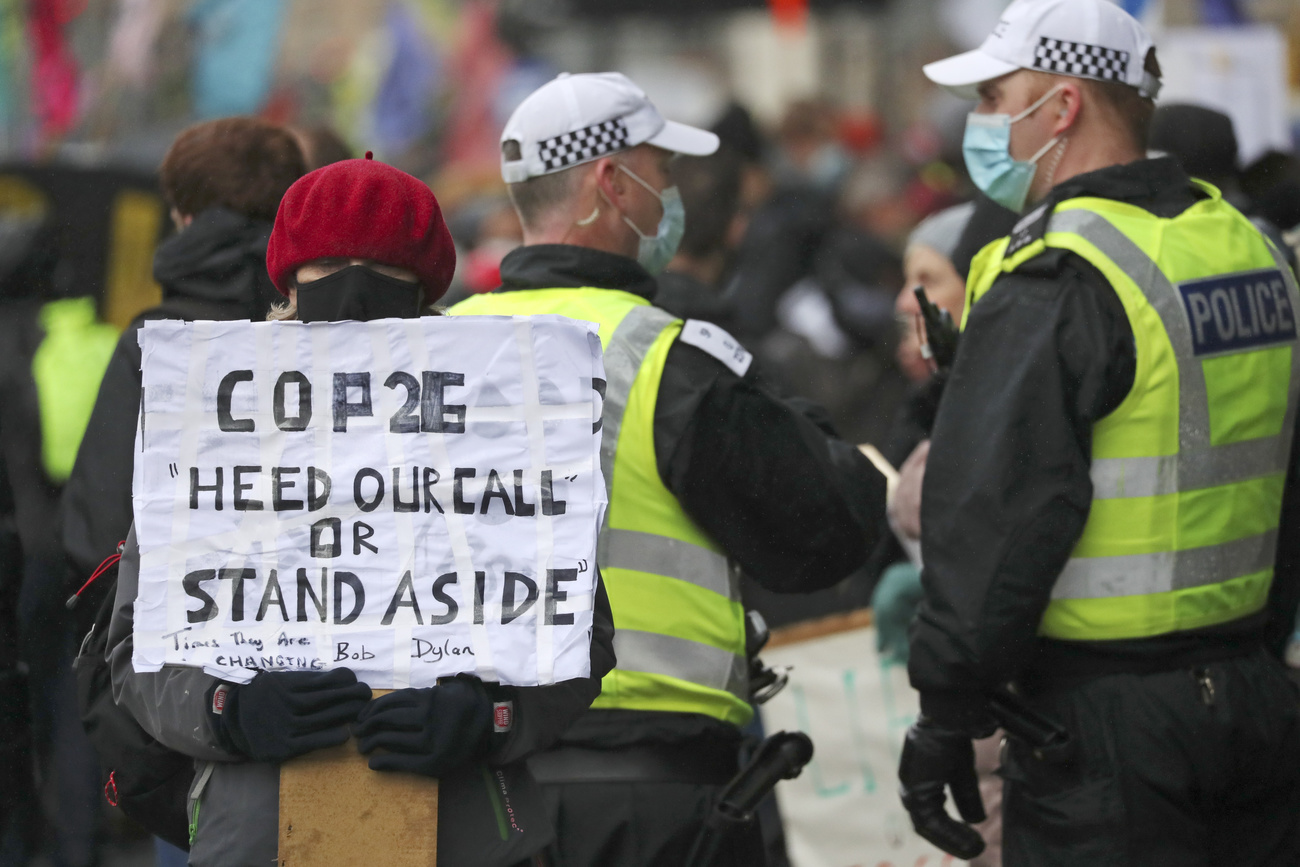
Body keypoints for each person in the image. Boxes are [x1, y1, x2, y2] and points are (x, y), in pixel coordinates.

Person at [106, 155, 616, 867]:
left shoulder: (496, 438)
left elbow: (576, 634)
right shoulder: (218, 436)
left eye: (380, 276)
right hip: (257, 839)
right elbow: (137, 650)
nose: (351, 296)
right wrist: (230, 711)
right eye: (328, 272)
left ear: (424, 292)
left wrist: (489, 717)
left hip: (464, 837)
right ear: (289, 284)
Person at [451, 71, 888, 866]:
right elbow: (829, 524)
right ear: (611, 184)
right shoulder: (665, 358)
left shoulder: (433, 349)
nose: (672, 195)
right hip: (649, 802)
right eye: (662, 171)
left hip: (475, 800)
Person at [898, 1, 1300, 865]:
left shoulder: (1060, 271)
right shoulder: (1255, 250)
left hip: (1107, 725)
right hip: (1257, 699)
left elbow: (996, 512)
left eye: (994, 98)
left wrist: (946, 707)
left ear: (1064, 106)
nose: (981, 122)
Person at [62, 118, 306, 623]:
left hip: (176, 643)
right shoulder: (332, 336)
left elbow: (97, 531)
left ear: (186, 218)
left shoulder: (154, 343)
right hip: (311, 633)